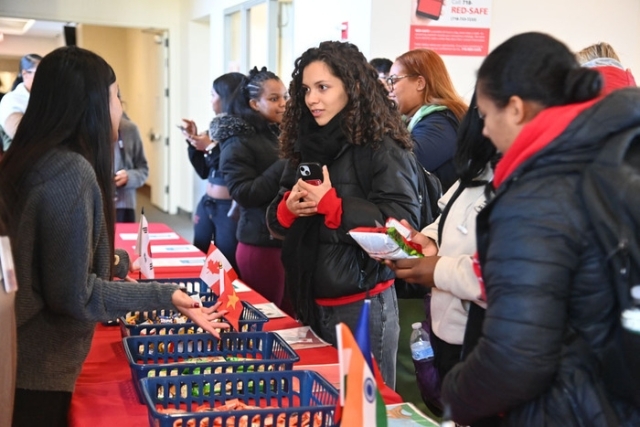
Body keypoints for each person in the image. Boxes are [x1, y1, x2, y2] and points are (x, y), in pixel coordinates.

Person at [0, 46, 229, 427]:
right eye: (116, 96)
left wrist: (115, 261)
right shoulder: (69, 172)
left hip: (23, 354)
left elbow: (50, 259)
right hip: (37, 368)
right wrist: (166, 295)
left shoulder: (34, 159)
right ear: (90, 105)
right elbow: (76, 295)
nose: (120, 108)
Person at [440, 32, 640, 426]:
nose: (483, 130)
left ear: (515, 109)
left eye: (485, 114)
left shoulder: (538, 197)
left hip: (568, 408)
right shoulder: (610, 157)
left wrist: (454, 394)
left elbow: (515, 357)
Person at [267, 40, 421, 388]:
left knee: (366, 409)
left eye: (323, 87)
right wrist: (288, 210)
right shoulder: (306, 143)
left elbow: (402, 228)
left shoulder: (383, 145)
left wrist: (333, 206)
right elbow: (275, 223)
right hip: (308, 297)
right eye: (306, 89)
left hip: (363, 304)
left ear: (352, 89)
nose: (311, 99)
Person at [386, 92, 498, 415]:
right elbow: (446, 217)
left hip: (483, 339)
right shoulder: (477, 169)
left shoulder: (529, 182)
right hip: (447, 326)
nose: (484, 124)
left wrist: (437, 270)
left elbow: (498, 272)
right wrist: (427, 240)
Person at [218, 66, 288, 308]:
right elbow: (244, 194)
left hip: (285, 242)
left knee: (289, 322)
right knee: (266, 320)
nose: (283, 104)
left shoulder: (278, 133)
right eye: (274, 98)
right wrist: (285, 165)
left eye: (285, 97)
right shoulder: (237, 141)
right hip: (261, 245)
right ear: (254, 104)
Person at [181, 72, 244, 272]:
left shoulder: (243, 132)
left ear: (227, 96)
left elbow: (231, 168)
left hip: (229, 208)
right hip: (208, 203)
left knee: (226, 261)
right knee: (199, 253)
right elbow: (204, 171)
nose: (210, 100)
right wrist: (193, 143)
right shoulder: (215, 129)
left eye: (213, 95)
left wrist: (210, 148)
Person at [388, 49, 467, 192]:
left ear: (420, 83)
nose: (390, 88)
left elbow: (401, 166)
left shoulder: (440, 124)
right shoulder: (415, 120)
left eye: (394, 80)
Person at [0, 53, 42, 151]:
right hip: (22, 160)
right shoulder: (11, 100)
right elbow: (19, 133)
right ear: (25, 74)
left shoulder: (45, 98)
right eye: (40, 73)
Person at [114, 112, 149, 223]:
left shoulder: (130, 129)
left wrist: (129, 177)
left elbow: (143, 170)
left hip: (124, 205)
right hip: (94, 204)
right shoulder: (86, 128)